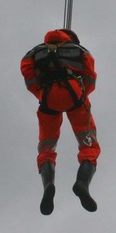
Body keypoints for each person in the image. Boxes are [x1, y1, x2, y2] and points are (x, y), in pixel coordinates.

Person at [21, 28, 100, 215]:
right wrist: (81, 95)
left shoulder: (36, 52)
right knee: (89, 145)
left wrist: (39, 92)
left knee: (46, 147)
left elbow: (26, 70)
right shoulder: (80, 50)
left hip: (48, 97)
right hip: (74, 94)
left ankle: (48, 184)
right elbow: (90, 76)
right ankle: (82, 184)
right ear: (71, 38)